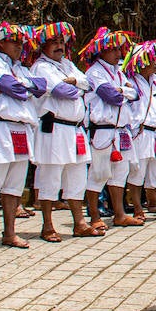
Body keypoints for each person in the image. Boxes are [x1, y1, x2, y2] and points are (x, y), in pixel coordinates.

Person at [0, 23, 47, 251]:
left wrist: (24, 85)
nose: (19, 46)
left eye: (20, 42)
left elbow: (41, 86)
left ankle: (10, 232)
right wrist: (26, 86)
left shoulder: (22, 68)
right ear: (1, 43)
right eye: (14, 42)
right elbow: (11, 87)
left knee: (14, 184)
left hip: (21, 128)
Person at [28, 22, 99, 240]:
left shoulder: (68, 65)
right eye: (54, 43)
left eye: (61, 42)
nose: (59, 46)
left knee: (77, 174)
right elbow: (62, 91)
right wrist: (78, 85)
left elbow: (91, 82)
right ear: (43, 46)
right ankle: (47, 225)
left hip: (75, 130)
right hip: (55, 127)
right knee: (50, 175)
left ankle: (79, 223)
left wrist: (76, 81)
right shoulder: (41, 67)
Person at [82, 27, 141, 230]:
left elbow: (136, 93)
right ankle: (95, 216)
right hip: (103, 129)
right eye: (114, 50)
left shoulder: (118, 72)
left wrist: (122, 90)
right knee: (99, 173)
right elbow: (112, 96)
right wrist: (123, 91)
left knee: (120, 171)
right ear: (102, 51)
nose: (119, 54)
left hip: (120, 129)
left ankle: (120, 214)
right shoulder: (94, 72)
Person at [124, 40, 156, 221]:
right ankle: (137, 209)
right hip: (141, 132)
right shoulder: (130, 82)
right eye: (152, 60)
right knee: (138, 171)